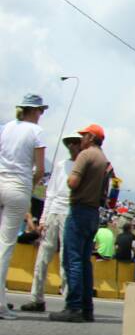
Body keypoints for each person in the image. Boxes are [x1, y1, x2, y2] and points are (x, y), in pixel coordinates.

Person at [49, 124, 110, 323]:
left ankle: (73, 306)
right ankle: (86, 308)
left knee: (72, 259)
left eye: (84, 136)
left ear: (91, 137)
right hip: (93, 213)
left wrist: (70, 178)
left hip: (79, 209)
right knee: (84, 261)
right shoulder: (104, 161)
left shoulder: (85, 155)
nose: (81, 139)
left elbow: (73, 182)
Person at [0, 94, 48, 319]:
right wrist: (31, 185)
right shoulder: (36, 132)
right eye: (41, 111)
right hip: (18, 187)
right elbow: (39, 169)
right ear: (34, 111)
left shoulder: (7, 126)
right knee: (5, 246)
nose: (41, 115)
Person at [22, 132, 81, 313]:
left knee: (66, 258)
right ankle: (36, 297)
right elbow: (50, 193)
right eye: (68, 143)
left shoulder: (82, 166)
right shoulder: (60, 165)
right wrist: (43, 218)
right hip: (54, 211)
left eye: (75, 142)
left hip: (70, 213)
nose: (71, 146)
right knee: (42, 257)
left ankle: (68, 300)